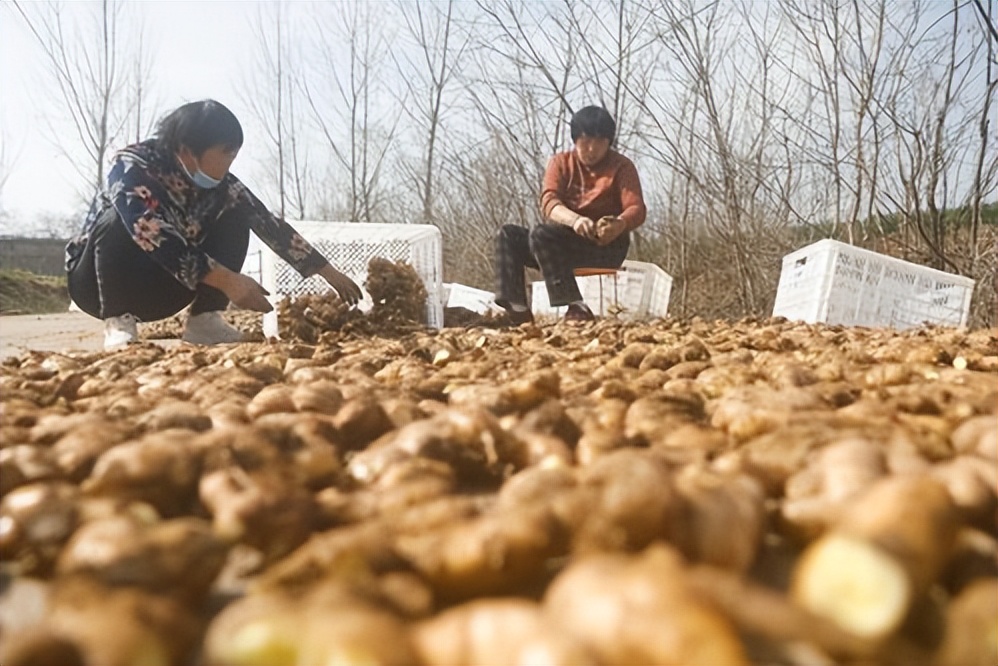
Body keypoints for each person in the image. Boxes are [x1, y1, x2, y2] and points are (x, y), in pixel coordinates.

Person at [66, 99, 362, 350]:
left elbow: (267, 223)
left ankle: (204, 322)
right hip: (98, 285)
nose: (230, 163)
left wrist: (327, 271)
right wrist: (228, 280)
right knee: (121, 219)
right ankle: (118, 324)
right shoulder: (132, 165)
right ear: (187, 150)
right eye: (226, 153)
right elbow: (147, 229)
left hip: (166, 288)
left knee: (237, 216)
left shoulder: (224, 187)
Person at [494, 105, 646, 324]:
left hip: (605, 245)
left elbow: (636, 208)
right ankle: (517, 308)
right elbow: (549, 202)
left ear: (608, 143)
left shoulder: (622, 166)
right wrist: (575, 220)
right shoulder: (560, 163)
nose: (591, 150)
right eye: (585, 143)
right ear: (575, 141)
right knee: (509, 234)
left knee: (541, 235)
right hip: (560, 244)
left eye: (598, 143)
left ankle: (576, 305)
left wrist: (619, 224)